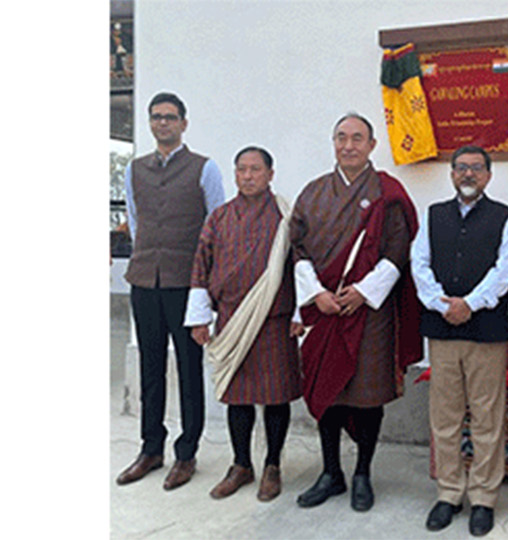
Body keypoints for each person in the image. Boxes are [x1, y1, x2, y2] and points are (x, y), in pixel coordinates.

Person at [289, 113, 421, 513]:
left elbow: (398, 250)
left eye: (357, 139)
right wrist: (317, 294)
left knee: (366, 394)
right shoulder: (312, 194)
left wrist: (363, 293)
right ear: (333, 143)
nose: (349, 145)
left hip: (369, 311)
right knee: (326, 391)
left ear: (372, 145)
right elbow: (297, 250)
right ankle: (331, 472)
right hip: (324, 310)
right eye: (342, 138)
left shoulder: (387, 192)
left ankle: (363, 471)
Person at [116, 92, 226, 490]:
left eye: (170, 117)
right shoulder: (134, 169)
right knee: (150, 368)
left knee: (189, 367)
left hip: (186, 284)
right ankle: (151, 448)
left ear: (184, 123)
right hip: (145, 280)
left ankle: (186, 452)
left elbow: (217, 227)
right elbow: (134, 217)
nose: (163, 123)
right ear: (150, 123)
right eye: (156, 117)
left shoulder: (204, 168)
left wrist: (209, 289)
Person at [410, 145, 508, 536]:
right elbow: (419, 264)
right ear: (452, 174)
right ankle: (449, 493)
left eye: (476, 168)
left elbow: (504, 272)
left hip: (484, 332)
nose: (468, 174)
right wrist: (444, 305)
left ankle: (484, 498)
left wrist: (469, 305)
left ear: (489, 175)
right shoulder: (433, 215)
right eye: (461, 168)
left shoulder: (507, 218)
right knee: (445, 417)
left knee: (488, 417)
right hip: (442, 330)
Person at [184, 146, 303, 502]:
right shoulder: (219, 218)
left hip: (275, 318)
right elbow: (201, 266)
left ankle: (272, 466)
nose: (248, 176)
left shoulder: (286, 217)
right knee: (237, 397)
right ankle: (241, 465)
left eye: (255, 169)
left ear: (270, 173)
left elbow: (301, 266)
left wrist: (300, 314)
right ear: (235, 175)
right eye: (241, 170)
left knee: (276, 396)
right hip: (232, 319)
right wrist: (200, 317)